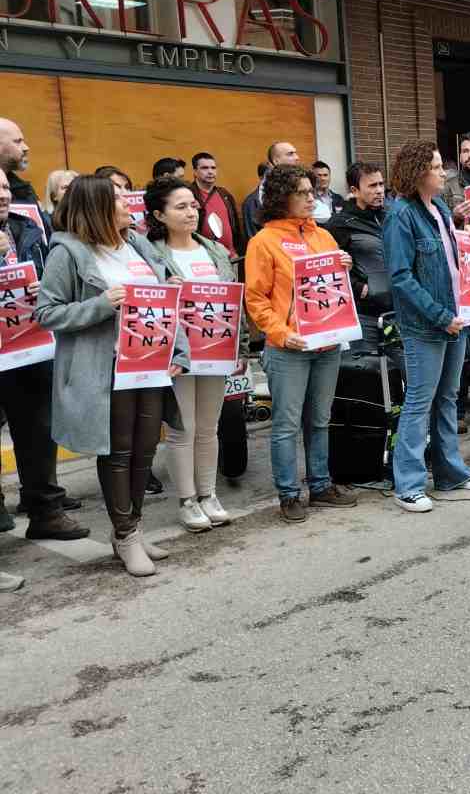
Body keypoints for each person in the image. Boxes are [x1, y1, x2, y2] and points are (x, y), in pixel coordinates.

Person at [35, 175, 190, 577]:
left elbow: (164, 304)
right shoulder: (68, 252)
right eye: (118, 198)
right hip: (107, 370)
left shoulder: (137, 243)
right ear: (96, 207)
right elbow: (46, 314)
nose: (128, 204)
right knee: (119, 453)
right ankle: (125, 533)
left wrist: (179, 350)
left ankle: (131, 530)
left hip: (150, 364)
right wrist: (101, 304)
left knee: (145, 450)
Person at [383, 140, 470, 512]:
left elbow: (450, 260)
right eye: (434, 167)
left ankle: (450, 471)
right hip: (427, 325)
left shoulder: (440, 208)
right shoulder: (401, 214)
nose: (441, 172)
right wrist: (439, 316)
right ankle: (409, 484)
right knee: (419, 401)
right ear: (417, 173)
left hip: (455, 318)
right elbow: (401, 276)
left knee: (448, 398)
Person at [244, 164, 358, 523]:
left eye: (312, 191)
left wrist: (346, 264)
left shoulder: (322, 236)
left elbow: (335, 287)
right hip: (289, 346)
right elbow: (256, 299)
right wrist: (280, 334)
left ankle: (320, 485)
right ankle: (289, 493)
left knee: (320, 419)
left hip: (326, 342)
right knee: (287, 424)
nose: (312, 198)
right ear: (282, 198)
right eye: (302, 193)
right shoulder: (263, 241)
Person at [145, 176, 243, 533]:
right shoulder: (150, 253)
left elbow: (235, 301)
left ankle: (208, 495)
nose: (191, 212)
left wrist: (239, 346)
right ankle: (187, 500)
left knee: (209, 427)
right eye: (180, 206)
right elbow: (140, 298)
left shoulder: (214, 250)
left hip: (216, 349)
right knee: (181, 430)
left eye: (193, 205)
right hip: (178, 352)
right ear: (159, 213)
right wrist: (159, 287)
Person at [0, 168, 88, 541]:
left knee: (38, 431)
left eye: (5, 186)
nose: (3, 195)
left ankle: (45, 511)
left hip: (30, 349)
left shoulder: (31, 228)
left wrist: (40, 284)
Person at [328, 162, 391, 322]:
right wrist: (358, 288)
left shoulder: (391, 216)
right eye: (372, 186)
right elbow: (329, 266)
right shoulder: (339, 223)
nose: (379, 191)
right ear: (354, 191)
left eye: (381, 184)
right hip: (363, 312)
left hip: (397, 308)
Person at [190, 152, 244, 257]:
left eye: (213, 168)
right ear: (195, 172)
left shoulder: (224, 194)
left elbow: (236, 224)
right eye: (204, 168)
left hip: (231, 256)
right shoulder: (189, 195)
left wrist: (236, 251)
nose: (210, 172)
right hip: (206, 257)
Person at [243, 141, 300, 239]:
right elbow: (255, 239)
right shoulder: (254, 201)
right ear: (276, 161)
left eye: (295, 153)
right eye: (290, 154)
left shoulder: (300, 185)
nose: (297, 158)